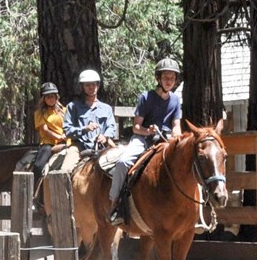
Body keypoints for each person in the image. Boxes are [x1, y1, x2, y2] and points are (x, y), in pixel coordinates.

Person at [108, 57, 182, 225]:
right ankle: (115, 205)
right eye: (166, 77)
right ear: (158, 78)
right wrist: (147, 131)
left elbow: (176, 125)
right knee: (122, 163)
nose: (169, 81)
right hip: (143, 138)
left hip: (165, 139)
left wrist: (177, 138)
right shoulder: (146, 97)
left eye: (172, 78)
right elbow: (135, 127)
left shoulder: (176, 100)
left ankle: (195, 213)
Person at [65, 69, 119, 158]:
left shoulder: (106, 108)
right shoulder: (72, 107)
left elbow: (111, 127)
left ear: (98, 85)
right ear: (82, 87)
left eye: (94, 84)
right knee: (67, 169)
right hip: (78, 147)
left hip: (103, 147)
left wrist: (105, 136)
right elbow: (67, 130)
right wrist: (84, 129)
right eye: (87, 85)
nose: (91, 87)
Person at [30, 82, 70, 176]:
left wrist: (66, 135)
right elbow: (45, 130)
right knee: (39, 166)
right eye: (48, 97)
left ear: (57, 97)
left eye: (53, 96)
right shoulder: (39, 113)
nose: (51, 99)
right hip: (49, 143)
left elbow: (70, 125)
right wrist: (59, 137)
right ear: (43, 99)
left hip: (66, 141)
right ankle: (35, 186)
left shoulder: (65, 110)